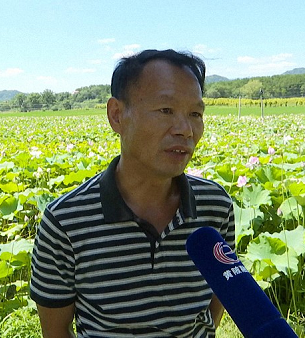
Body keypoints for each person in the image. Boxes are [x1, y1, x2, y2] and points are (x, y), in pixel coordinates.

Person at [29, 49, 236, 337]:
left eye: (195, 114)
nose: (185, 130)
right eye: (166, 110)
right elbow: (55, 330)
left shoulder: (217, 206)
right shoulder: (65, 221)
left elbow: (218, 300)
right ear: (117, 116)